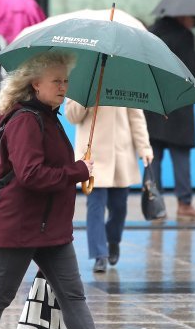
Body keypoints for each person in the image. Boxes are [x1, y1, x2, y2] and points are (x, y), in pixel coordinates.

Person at [0, 52, 150, 329]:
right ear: (36, 84)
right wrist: (78, 170)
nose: (63, 86)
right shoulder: (25, 121)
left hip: (49, 229)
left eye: (65, 80)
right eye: (56, 81)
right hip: (20, 225)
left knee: (73, 295)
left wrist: (76, 170)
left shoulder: (47, 117)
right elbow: (31, 174)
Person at [66, 100, 153, 273]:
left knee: (119, 206)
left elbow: (136, 117)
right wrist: (87, 100)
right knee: (95, 206)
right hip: (92, 157)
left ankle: (113, 240)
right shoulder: (82, 79)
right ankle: (100, 254)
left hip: (120, 154)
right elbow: (72, 117)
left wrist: (144, 148)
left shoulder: (125, 79)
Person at [144, 15, 195, 221]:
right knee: (181, 157)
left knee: (153, 158)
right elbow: (191, 73)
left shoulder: (151, 33)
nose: (194, 23)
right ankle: (184, 204)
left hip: (154, 104)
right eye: (194, 19)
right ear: (183, 17)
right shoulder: (184, 37)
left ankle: (154, 206)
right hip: (179, 106)